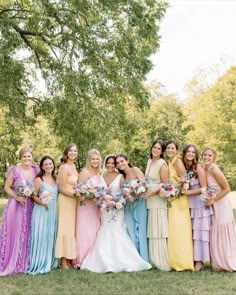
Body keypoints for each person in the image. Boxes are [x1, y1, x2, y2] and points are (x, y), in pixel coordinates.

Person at [81, 155, 151, 272]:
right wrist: (102, 200)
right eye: (108, 163)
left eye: (113, 163)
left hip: (117, 209)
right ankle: (103, 259)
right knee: (105, 230)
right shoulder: (101, 176)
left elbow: (125, 193)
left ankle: (123, 259)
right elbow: (98, 192)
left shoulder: (120, 177)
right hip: (105, 209)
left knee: (118, 231)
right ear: (105, 164)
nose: (110, 165)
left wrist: (117, 203)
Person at [0, 147, 38, 276]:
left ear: (32, 157)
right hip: (15, 206)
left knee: (27, 232)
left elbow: (37, 187)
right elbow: (6, 187)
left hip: (30, 206)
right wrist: (17, 197)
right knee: (15, 232)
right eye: (24, 157)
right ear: (20, 158)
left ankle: (23, 261)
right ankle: (11, 261)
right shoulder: (15, 170)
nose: (27, 159)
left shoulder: (35, 170)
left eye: (29, 156)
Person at [202, 147, 236, 271]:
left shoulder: (215, 170)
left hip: (221, 203)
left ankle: (227, 261)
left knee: (222, 230)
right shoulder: (205, 168)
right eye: (205, 155)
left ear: (214, 157)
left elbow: (227, 188)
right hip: (213, 203)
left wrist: (214, 200)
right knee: (215, 230)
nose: (206, 157)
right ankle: (217, 261)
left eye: (209, 155)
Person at [182, 144, 213, 271]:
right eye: (188, 151)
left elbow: (204, 188)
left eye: (193, 152)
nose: (190, 154)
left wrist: (189, 192)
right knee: (193, 233)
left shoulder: (198, 167)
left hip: (200, 205)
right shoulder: (185, 168)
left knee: (200, 233)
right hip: (189, 205)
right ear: (184, 153)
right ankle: (194, 258)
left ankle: (200, 262)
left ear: (195, 155)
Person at [165, 140, 194, 271]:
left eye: (172, 148)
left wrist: (175, 194)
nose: (170, 150)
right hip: (172, 199)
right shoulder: (169, 162)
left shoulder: (177, 162)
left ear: (176, 150)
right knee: (174, 231)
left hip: (179, 200)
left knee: (180, 231)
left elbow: (185, 180)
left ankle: (183, 262)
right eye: (168, 148)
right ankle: (174, 260)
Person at [73, 149, 104, 268]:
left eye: (97, 159)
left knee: (94, 231)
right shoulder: (84, 172)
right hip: (85, 206)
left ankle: (91, 257)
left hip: (95, 207)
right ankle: (80, 259)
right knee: (84, 230)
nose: (95, 161)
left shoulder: (99, 173)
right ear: (89, 160)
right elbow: (79, 191)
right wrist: (90, 196)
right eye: (93, 159)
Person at [28, 156, 58, 274]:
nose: (49, 166)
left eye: (50, 164)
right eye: (46, 164)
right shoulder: (39, 179)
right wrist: (42, 203)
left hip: (53, 211)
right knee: (40, 235)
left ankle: (50, 261)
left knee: (50, 234)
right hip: (41, 210)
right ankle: (39, 262)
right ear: (42, 166)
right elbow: (33, 196)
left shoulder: (55, 179)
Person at [115, 154, 149, 262]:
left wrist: (135, 196)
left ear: (127, 160)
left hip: (139, 203)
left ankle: (144, 258)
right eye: (118, 163)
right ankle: (135, 259)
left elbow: (144, 184)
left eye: (122, 161)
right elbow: (122, 192)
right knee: (131, 230)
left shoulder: (135, 170)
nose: (120, 164)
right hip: (128, 206)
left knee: (141, 229)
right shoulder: (122, 177)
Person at [144, 140, 170, 271]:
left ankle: (160, 259)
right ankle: (152, 258)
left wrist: (153, 192)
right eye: (154, 147)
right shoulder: (149, 161)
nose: (155, 150)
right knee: (151, 228)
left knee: (158, 228)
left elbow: (165, 184)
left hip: (158, 200)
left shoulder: (162, 164)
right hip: (149, 199)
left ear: (162, 151)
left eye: (159, 149)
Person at [55, 143, 79, 269]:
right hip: (65, 201)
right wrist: (77, 196)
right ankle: (63, 260)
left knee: (70, 230)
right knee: (64, 228)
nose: (73, 153)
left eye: (75, 151)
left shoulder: (73, 166)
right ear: (66, 152)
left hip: (73, 202)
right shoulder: (64, 167)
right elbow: (62, 188)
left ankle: (69, 258)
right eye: (71, 151)